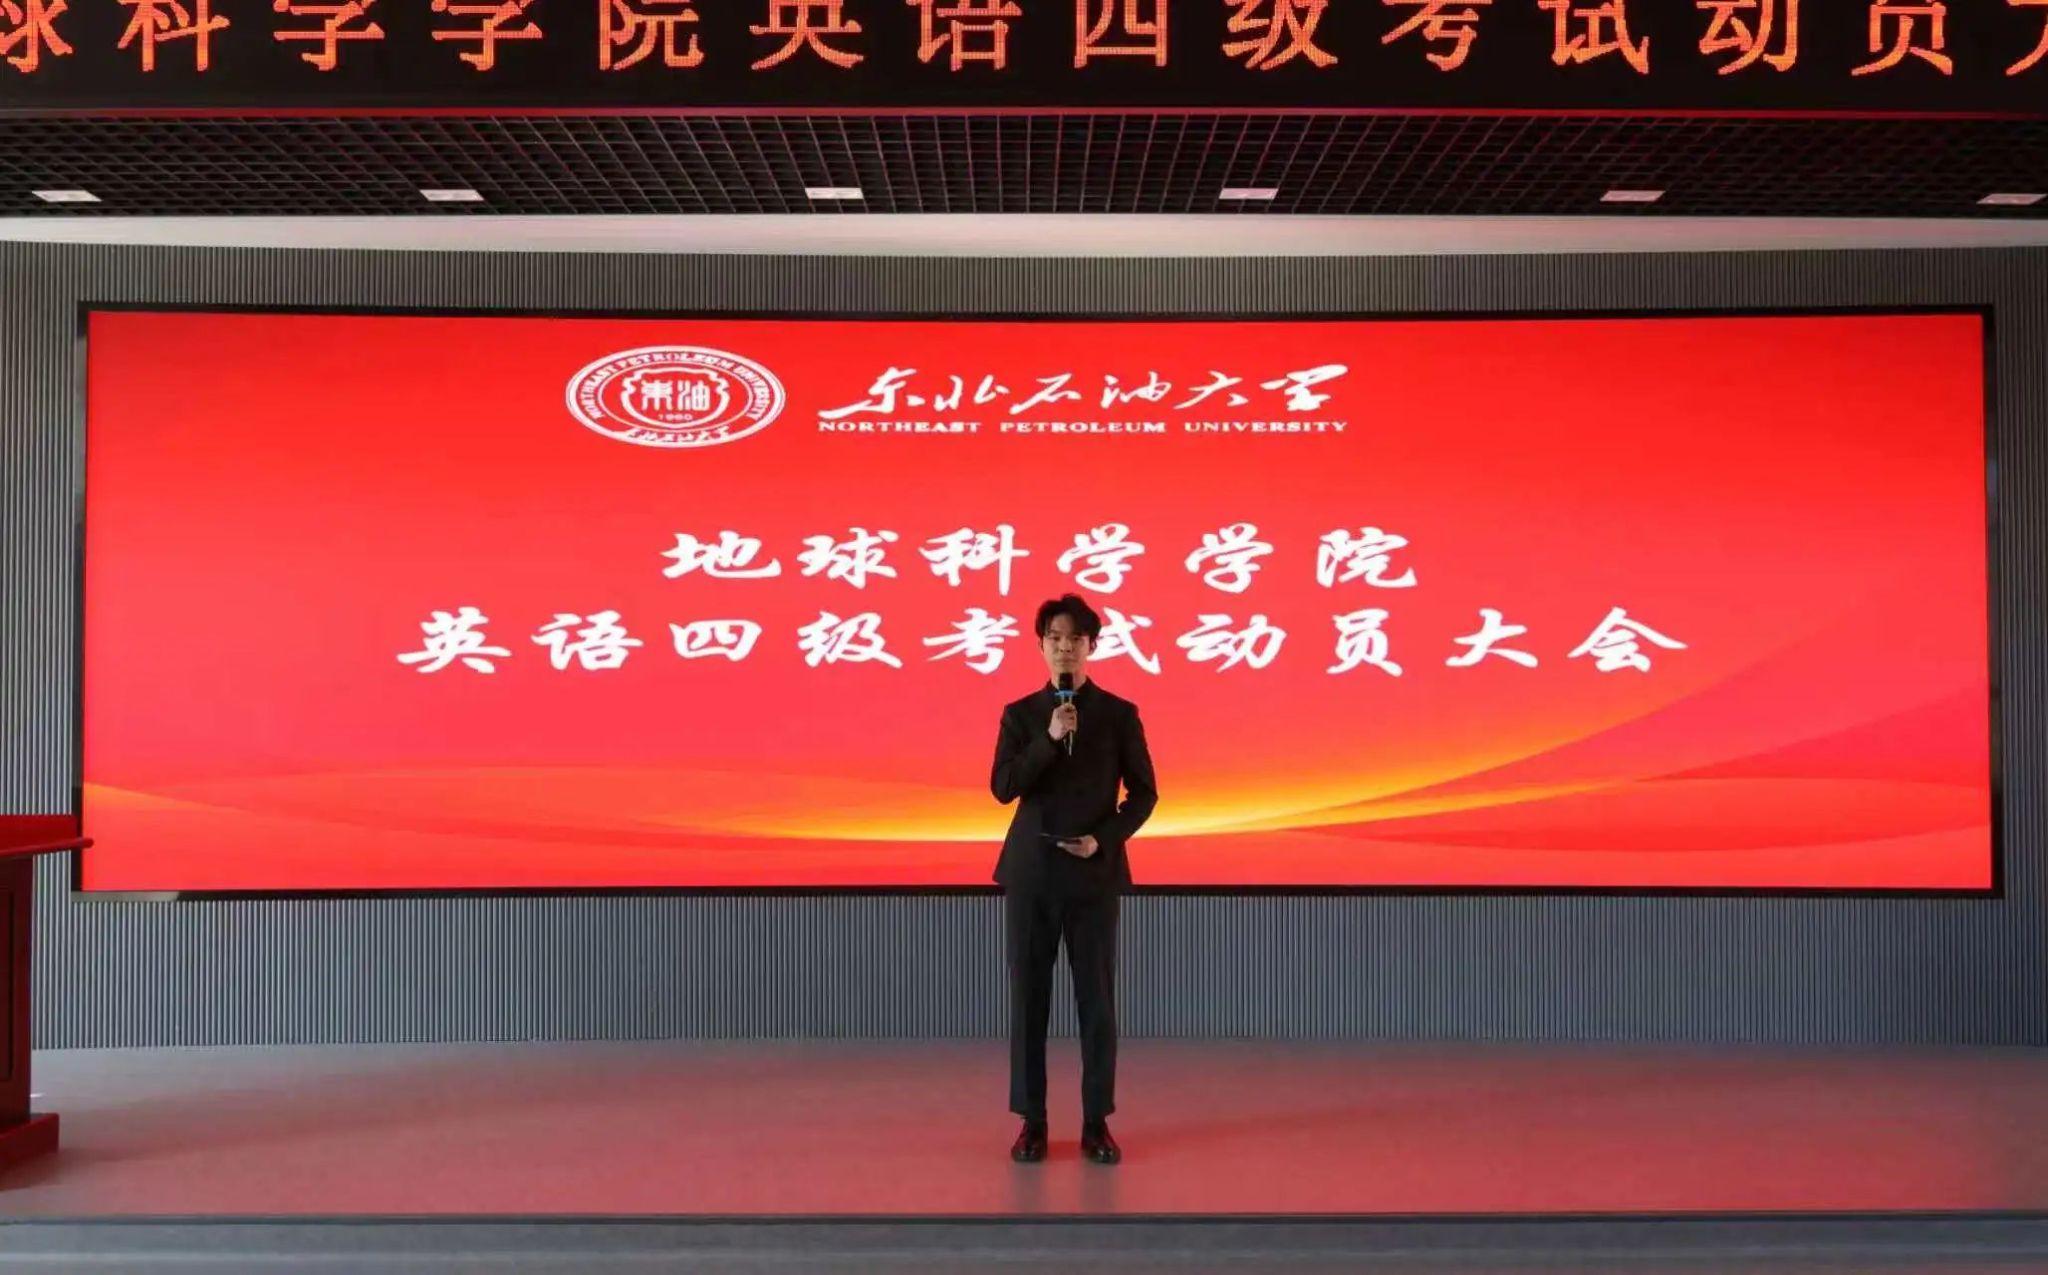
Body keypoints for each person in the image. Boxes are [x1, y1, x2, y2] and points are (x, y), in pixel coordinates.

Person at [989, 593, 1158, 1165]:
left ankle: (1095, 1122)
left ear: (1092, 646)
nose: (1065, 647)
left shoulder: (1119, 714)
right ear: (1041, 646)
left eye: (1076, 639)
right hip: (1033, 874)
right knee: (1029, 1000)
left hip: (1091, 874)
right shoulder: (1020, 714)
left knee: (1097, 1002)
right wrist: (1048, 738)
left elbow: (1145, 795)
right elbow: (1003, 787)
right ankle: (1031, 1123)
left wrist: (1102, 839)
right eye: (1055, 638)